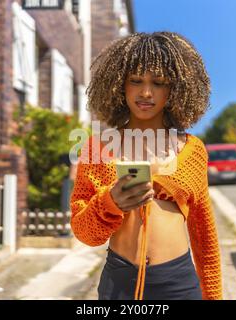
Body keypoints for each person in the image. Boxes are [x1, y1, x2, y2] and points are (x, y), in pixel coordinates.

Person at [69, 32, 222, 300]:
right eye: (135, 81)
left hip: (178, 282)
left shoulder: (193, 150)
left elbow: (204, 234)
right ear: (119, 85)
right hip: (119, 283)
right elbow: (85, 234)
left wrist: (214, 296)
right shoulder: (97, 148)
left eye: (159, 83)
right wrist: (110, 203)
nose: (146, 92)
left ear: (175, 88)